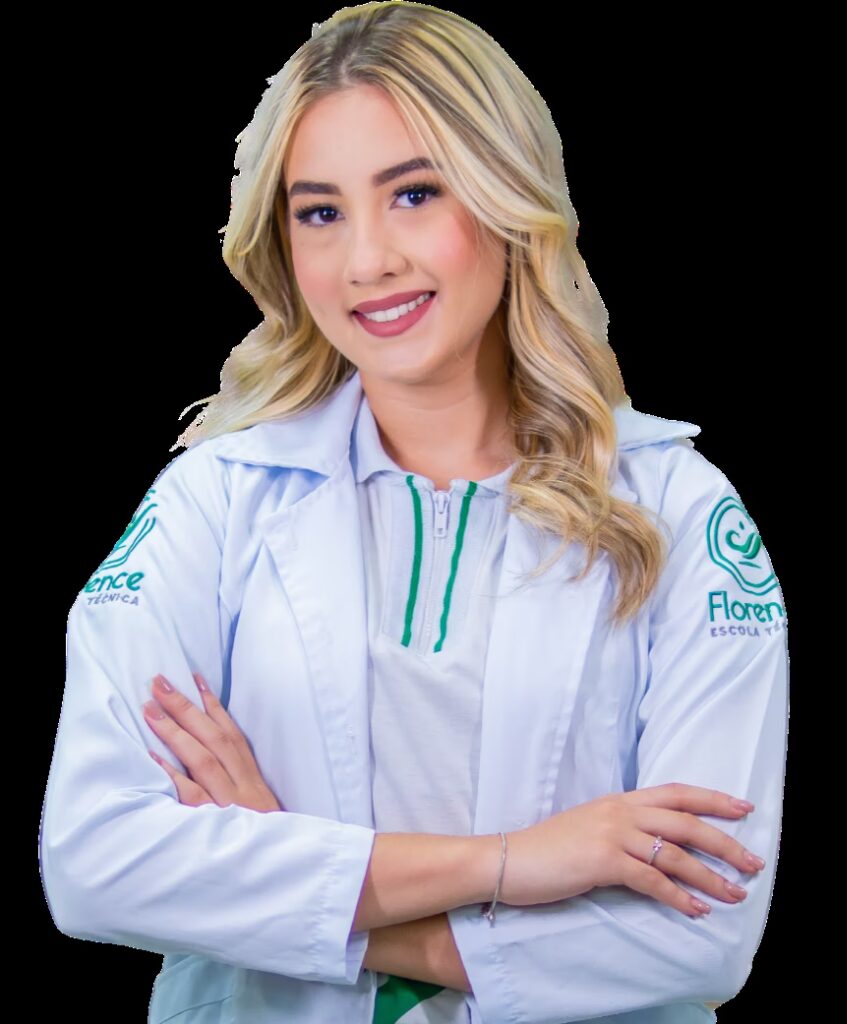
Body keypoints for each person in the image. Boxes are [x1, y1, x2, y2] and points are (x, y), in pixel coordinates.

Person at [39, 3, 789, 1023]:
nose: (367, 261)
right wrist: (514, 862)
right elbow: (96, 861)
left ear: (509, 197)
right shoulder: (214, 500)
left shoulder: (678, 512)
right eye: (320, 212)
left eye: (415, 194)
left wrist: (290, 884)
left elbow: (702, 935)